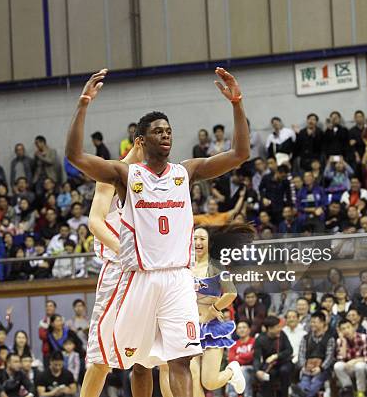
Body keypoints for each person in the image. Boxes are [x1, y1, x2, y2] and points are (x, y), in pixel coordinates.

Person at [64, 66, 250, 397]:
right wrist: (83, 106)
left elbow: (239, 154)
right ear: (143, 138)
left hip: (178, 277)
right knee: (139, 364)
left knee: (180, 359)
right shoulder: (125, 174)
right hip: (141, 277)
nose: (166, 135)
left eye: (169, 130)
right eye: (158, 131)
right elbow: (75, 156)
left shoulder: (186, 172)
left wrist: (237, 104)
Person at [81, 140, 170, 397]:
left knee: (152, 358)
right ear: (140, 141)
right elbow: (95, 223)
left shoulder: (155, 179)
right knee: (101, 358)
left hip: (148, 272)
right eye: (157, 135)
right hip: (118, 269)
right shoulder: (111, 173)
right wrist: (126, 251)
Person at [190, 227, 246, 397]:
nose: (198, 242)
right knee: (192, 375)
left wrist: (213, 310)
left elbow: (231, 293)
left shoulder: (216, 266)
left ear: (209, 243)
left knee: (209, 382)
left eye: (202, 239)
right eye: (195, 238)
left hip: (211, 328)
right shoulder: (185, 266)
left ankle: (232, 371)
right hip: (190, 328)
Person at [291, 311, 335, 397]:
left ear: (322, 323)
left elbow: (329, 357)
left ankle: (300, 394)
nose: (312, 324)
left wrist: (320, 368)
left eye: (314, 322)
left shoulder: (329, 338)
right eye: (311, 322)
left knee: (316, 381)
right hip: (308, 367)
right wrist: (303, 366)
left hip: (323, 369)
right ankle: (301, 393)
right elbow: (301, 354)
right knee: (305, 381)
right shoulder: (305, 338)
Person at [253, 316, 293, 397]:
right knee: (268, 375)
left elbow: (289, 350)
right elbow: (256, 357)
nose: (280, 329)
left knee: (284, 370)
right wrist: (257, 370)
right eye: (277, 327)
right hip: (270, 365)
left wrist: (277, 356)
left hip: (284, 362)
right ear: (269, 329)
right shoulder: (260, 339)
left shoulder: (282, 334)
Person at [333, 318, 367, 397]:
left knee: (360, 366)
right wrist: (343, 342)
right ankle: (348, 389)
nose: (346, 330)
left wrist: (354, 361)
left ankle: (360, 392)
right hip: (348, 366)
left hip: (360, 365)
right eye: (343, 329)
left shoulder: (363, 337)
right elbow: (341, 358)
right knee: (337, 365)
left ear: (353, 327)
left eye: (348, 327)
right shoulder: (339, 341)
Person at [227, 320, 255, 397]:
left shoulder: (254, 341)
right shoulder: (234, 344)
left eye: (244, 327)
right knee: (231, 370)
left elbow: (252, 356)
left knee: (243, 369)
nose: (241, 329)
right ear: (237, 331)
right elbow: (231, 359)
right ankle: (232, 395)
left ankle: (247, 395)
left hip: (252, 369)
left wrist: (238, 356)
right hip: (238, 369)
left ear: (249, 330)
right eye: (239, 328)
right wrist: (244, 357)